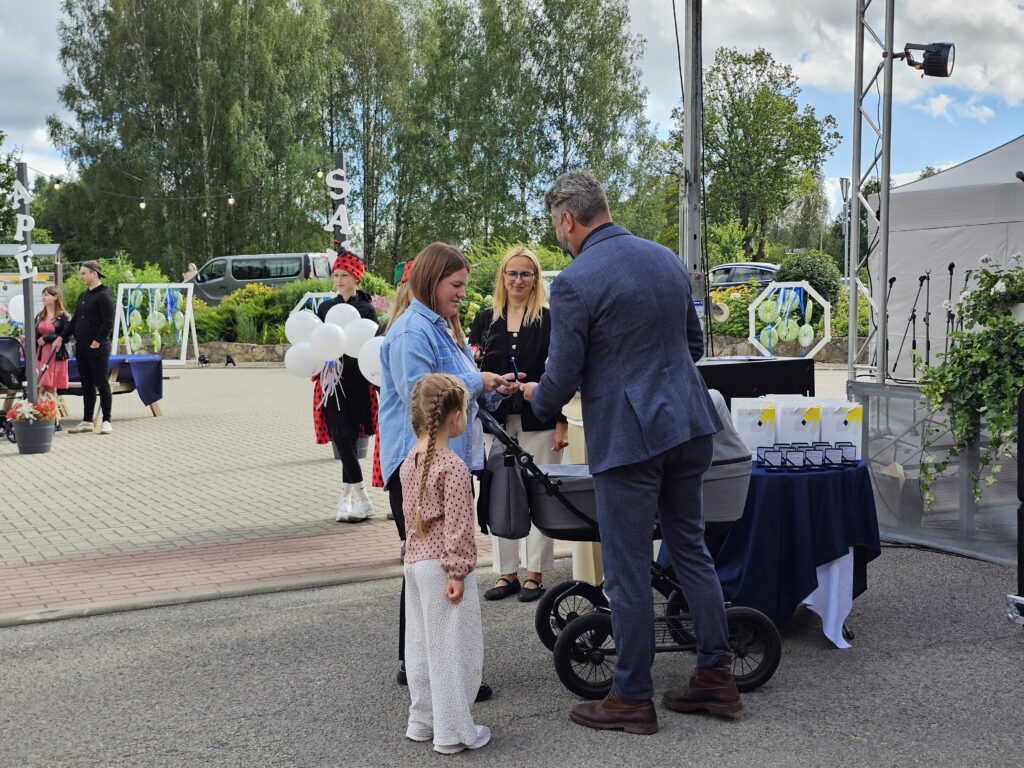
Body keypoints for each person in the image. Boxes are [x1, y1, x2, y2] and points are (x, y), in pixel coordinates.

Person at [523, 171, 740, 735]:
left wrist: (534, 399)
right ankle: (716, 674)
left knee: (626, 570)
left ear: (567, 219)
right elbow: (692, 345)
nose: (559, 235)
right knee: (689, 549)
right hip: (690, 425)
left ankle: (632, 697)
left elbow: (561, 375)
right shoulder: (665, 259)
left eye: (557, 227)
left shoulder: (575, 281)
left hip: (630, 440)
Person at [378, 242, 519, 699]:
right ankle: (437, 672)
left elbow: (455, 390)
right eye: (455, 285)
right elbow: (422, 396)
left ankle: (428, 665)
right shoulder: (411, 332)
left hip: (439, 462)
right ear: (431, 281)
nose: (462, 293)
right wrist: (479, 381)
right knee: (432, 568)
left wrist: (491, 387)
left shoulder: (437, 326)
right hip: (419, 467)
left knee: (428, 565)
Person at [469, 245, 568, 603]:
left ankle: (535, 573)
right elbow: (472, 369)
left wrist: (562, 421)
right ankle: (506, 572)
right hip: (496, 421)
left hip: (539, 418)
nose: (518, 280)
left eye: (526, 273)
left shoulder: (549, 320)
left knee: (538, 493)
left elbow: (562, 372)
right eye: (512, 273)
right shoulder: (485, 320)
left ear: (536, 278)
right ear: (503, 277)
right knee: (501, 494)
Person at [400, 373, 490, 755]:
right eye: (465, 411)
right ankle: (452, 732)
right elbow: (459, 526)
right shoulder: (453, 467)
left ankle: (422, 721)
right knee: (451, 650)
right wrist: (458, 571)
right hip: (441, 567)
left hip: (414, 565)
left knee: (420, 646)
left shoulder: (409, 462)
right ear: (454, 417)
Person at [314, 251, 379, 522]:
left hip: (357, 382)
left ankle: (349, 499)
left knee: (350, 438)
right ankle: (359, 497)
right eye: (337, 275)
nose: (339, 280)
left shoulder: (366, 309)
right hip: (332, 381)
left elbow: (372, 344)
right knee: (340, 436)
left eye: (345, 275)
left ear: (356, 278)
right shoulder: (325, 308)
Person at [55, 260, 116, 435]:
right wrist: (61, 337)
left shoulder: (104, 295)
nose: (81, 276)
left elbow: (108, 322)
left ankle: (106, 421)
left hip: (98, 347)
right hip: (81, 347)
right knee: (87, 384)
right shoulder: (83, 296)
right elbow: (74, 320)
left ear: (94, 273)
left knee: (102, 383)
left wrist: (97, 341)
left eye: (83, 273)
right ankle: (87, 421)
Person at [34, 285, 71, 425]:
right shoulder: (40, 316)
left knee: (49, 386)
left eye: (47, 294)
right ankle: (47, 417)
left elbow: (67, 336)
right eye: (43, 294)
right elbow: (35, 334)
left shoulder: (64, 316)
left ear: (55, 297)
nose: (43, 297)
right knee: (41, 385)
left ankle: (50, 419)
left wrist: (47, 338)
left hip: (55, 354)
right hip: (40, 354)